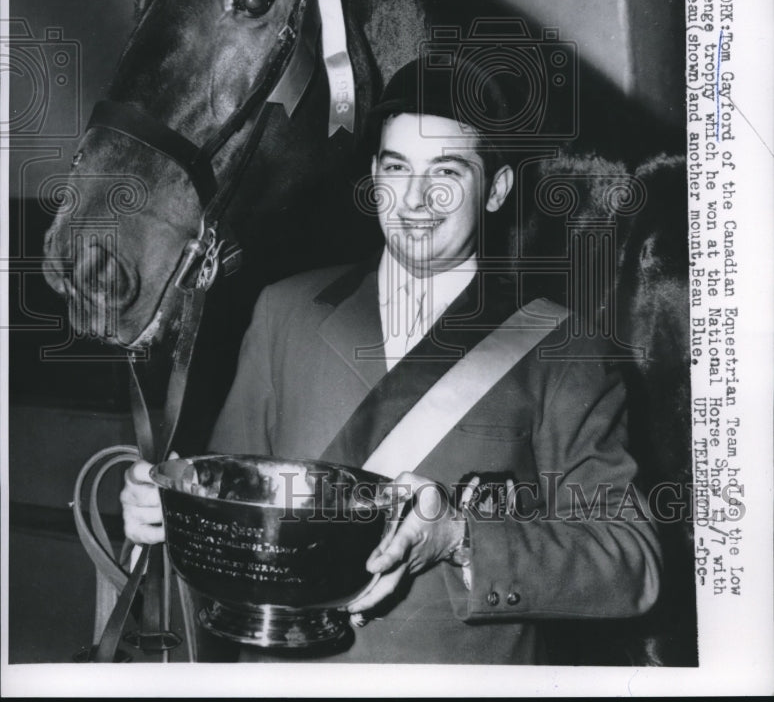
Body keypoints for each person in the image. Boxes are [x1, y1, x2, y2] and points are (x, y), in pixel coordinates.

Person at [122, 55, 661, 665]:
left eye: (448, 171)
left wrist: (461, 537)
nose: (415, 199)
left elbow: (630, 561)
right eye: (397, 167)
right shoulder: (284, 311)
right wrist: (162, 509)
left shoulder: (560, 348)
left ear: (497, 190)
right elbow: (230, 503)